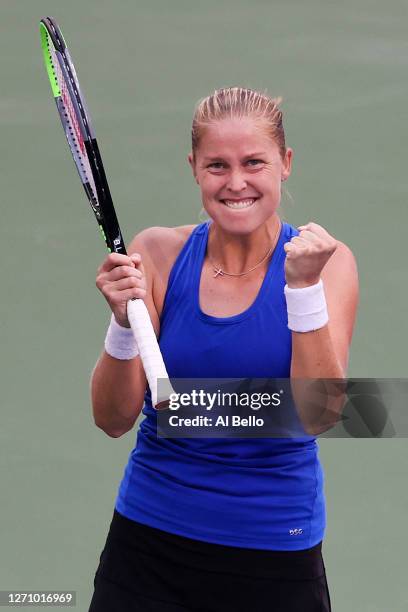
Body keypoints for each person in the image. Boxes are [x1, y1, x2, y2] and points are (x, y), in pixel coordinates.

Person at [88, 87, 359, 612]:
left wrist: (301, 289)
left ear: (285, 163)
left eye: (254, 162)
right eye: (217, 165)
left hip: (276, 551)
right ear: (194, 168)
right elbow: (112, 419)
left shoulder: (328, 262)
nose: (236, 183)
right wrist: (123, 326)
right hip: (146, 543)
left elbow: (319, 413)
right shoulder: (158, 253)